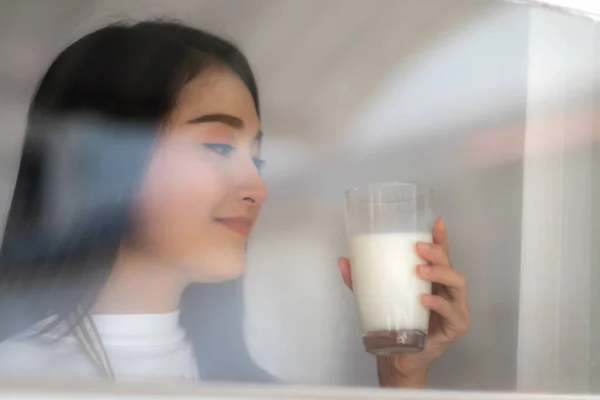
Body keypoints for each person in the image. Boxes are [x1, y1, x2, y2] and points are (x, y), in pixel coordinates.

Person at [0, 20, 470, 387]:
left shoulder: (246, 382)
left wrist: (403, 375)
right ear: (102, 160)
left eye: (258, 159)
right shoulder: (20, 374)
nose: (257, 189)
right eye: (219, 148)